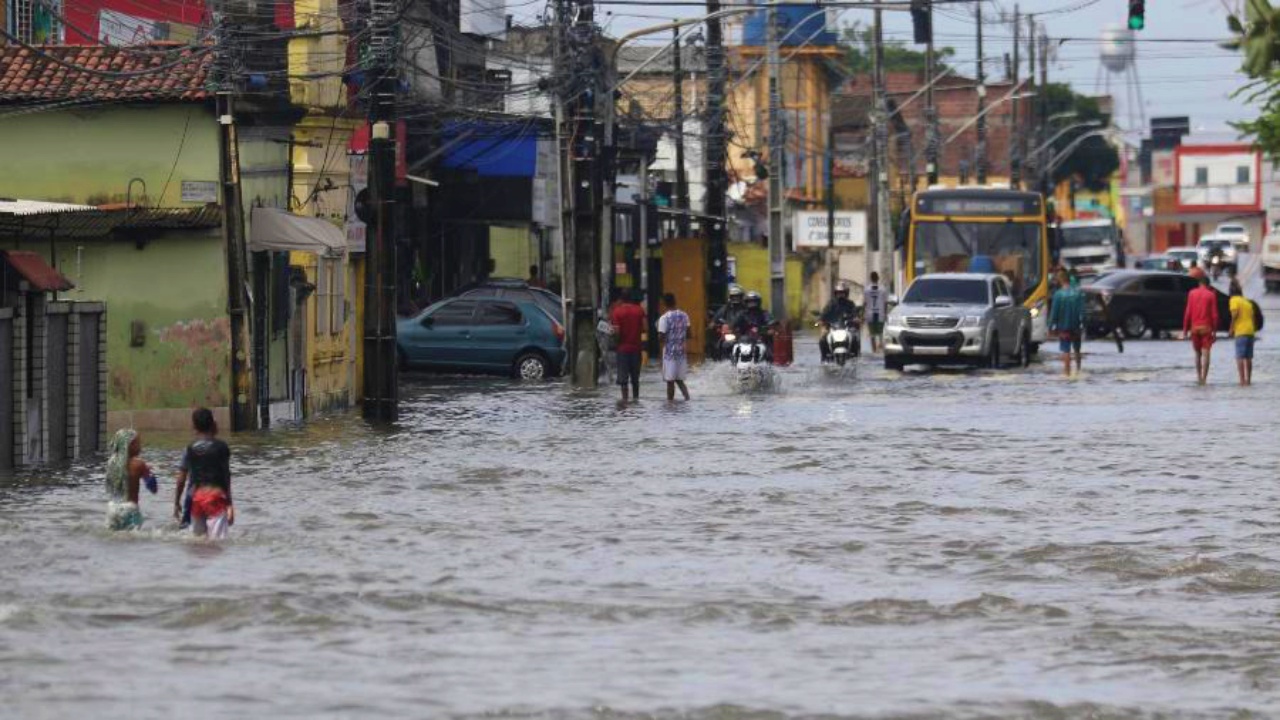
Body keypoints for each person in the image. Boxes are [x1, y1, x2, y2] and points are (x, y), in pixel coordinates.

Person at [174, 408, 235, 539]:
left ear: (194, 426)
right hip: (215, 497)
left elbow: (181, 479)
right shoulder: (222, 447)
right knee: (218, 543)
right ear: (213, 424)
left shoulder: (190, 448)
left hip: (197, 498)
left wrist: (176, 501)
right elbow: (226, 475)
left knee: (197, 542)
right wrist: (229, 504)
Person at [105, 429, 156, 531]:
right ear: (130, 445)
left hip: (113, 508)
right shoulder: (139, 464)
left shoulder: (111, 463)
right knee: (133, 540)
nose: (141, 447)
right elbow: (152, 488)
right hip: (130, 509)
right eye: (138, 443)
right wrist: (150, 473)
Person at [1183, 267, 1220, 386]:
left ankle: (1198, 377)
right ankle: (1204, 378)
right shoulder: (1211, 295)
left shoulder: (1191, 293)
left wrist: (1185, 330)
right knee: (1206, 354)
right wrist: (1215, 332)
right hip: (1206, 328)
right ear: (1208, 285)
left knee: (1197, 354)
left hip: (1194, 328)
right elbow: (1214, 315)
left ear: (1200, 283)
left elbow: (1187, 312)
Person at [610, 289, 647, 401]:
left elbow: (616, 332)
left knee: (623, 380)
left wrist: (614, 340)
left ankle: (624, 402)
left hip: (622, 350)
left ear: (621, 299)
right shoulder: (640, 311)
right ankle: (636, 400)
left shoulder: (617, 312)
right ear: (631, 298)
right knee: (635, 379)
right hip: (636, 349)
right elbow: (645, 328)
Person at [1048, 268, 1085, 377]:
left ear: (1060, 280)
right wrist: (1083, 323)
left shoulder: (1058, 295)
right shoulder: (1078, 294)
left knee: (1066, 350)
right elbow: (1082, 311)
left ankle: (1067, 374)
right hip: (1076, 325)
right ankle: (1078, 371)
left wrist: (1051, 326)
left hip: (1064, 326)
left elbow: (1054, 312)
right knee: (1077, 349)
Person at [657, 293, 692, 402]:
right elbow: (689, 334)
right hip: (681, 353)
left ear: (664, 303)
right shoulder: (684, 315)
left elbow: (661, 337)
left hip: (669, 354)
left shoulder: (664, 318)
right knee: (679, 380)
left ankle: (670, 403)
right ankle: (687, 399)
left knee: (670, 381)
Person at [818, 282, 859, 362]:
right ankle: (824, 357)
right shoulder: (831, 304)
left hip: (847, 327)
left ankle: (855, 356)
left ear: (846, 293)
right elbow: (824, 314)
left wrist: (856, 319)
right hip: (833, 327)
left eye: (842, 293)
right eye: (839, 293)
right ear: (836, 293)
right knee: (822, 339)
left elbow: (855, 314)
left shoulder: (850, 304)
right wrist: (821, 320)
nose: (841, 295)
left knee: (855, 337)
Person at [1228, 278, 1256, 386]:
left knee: (1239, 357)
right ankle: (1248, 380)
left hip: (1241, 331)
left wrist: (1231, 328)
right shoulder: (1247, 302)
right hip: (1250, 331)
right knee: (1248, 357)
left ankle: (1242, 380)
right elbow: (1253, 318)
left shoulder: (1234, 300)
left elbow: (1234, 314)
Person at [864, 272, 888, 353]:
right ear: (878, 278)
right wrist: (885, 313)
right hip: (880, 313)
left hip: (870, 314)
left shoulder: (866, 289)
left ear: (871, 278)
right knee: (881, 333)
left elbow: (865, 303)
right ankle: (881, 347)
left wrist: (863, 313)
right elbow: (885, 303)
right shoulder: (883, 289)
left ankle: (874, 350)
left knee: (872, 334)